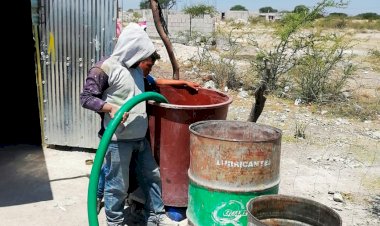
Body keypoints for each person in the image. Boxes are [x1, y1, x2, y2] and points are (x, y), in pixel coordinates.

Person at [80, 22, 199, 226]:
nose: (147, 64)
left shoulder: (137, 71)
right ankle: (115, 222)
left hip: (139, 138)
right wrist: (111, 108)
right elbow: (86, 98)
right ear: (133, 48)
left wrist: (183, 83)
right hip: (117, 140)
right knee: (117, 185)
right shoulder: (105, 68)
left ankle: (156, 216)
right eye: (145, 58)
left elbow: (156, 83)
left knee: (152, 176)